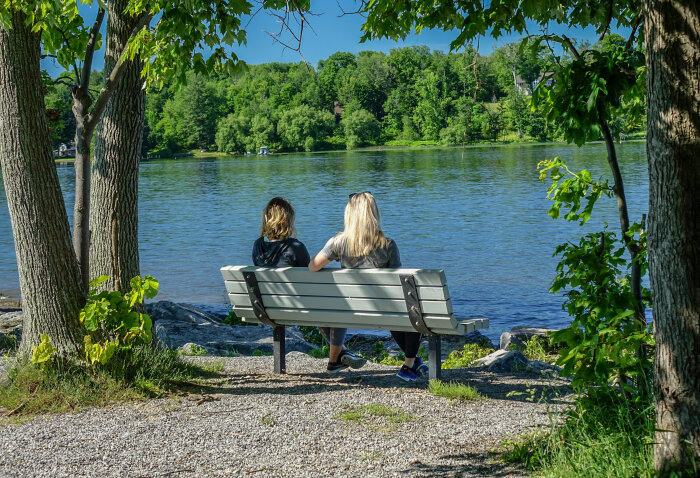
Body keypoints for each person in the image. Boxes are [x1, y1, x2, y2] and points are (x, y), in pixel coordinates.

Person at [308, 192, 429, 382]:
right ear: (374, 215)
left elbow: (313, 266)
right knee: (413, 307)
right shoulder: (388, 245)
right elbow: (399, 284)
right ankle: (409, 364)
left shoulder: (338, 243)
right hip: (383, 311)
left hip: (351, 311)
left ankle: (412, 362)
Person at [252, 197, 366, 374]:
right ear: (288, 219)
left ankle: (339, 355)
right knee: (338, 306)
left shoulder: (257, 246)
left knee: (319, 306)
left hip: (270, 308)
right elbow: (311, 281)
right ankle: (335, 359)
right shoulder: (295, 247)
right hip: (298, 308)